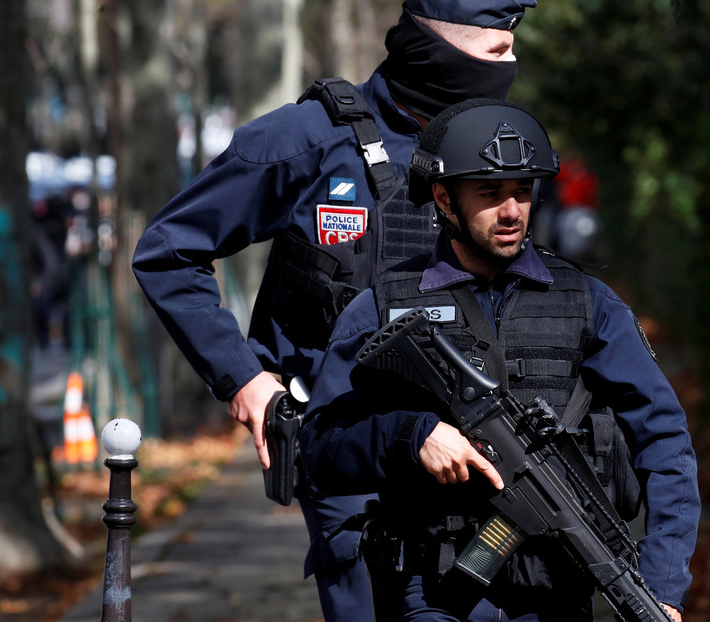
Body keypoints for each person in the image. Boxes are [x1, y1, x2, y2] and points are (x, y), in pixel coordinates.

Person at [131, 3, 538, 621]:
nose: (512, 64)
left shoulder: (497, 149)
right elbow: (169, 250)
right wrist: (242, 378)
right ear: (437, 49)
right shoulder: (308, 138)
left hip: (475, 451)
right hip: (348, 451)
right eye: (495, 51)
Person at [299, 99, 699, 621]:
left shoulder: (587, 302)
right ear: (443, 198)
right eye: (490, 194)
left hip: (560, 591)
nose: (511, 211)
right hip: (435, 593)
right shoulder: (384, 306)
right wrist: (411, 435)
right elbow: (319, 447)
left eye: (522, 191)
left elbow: (664, 439)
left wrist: (664, 583)